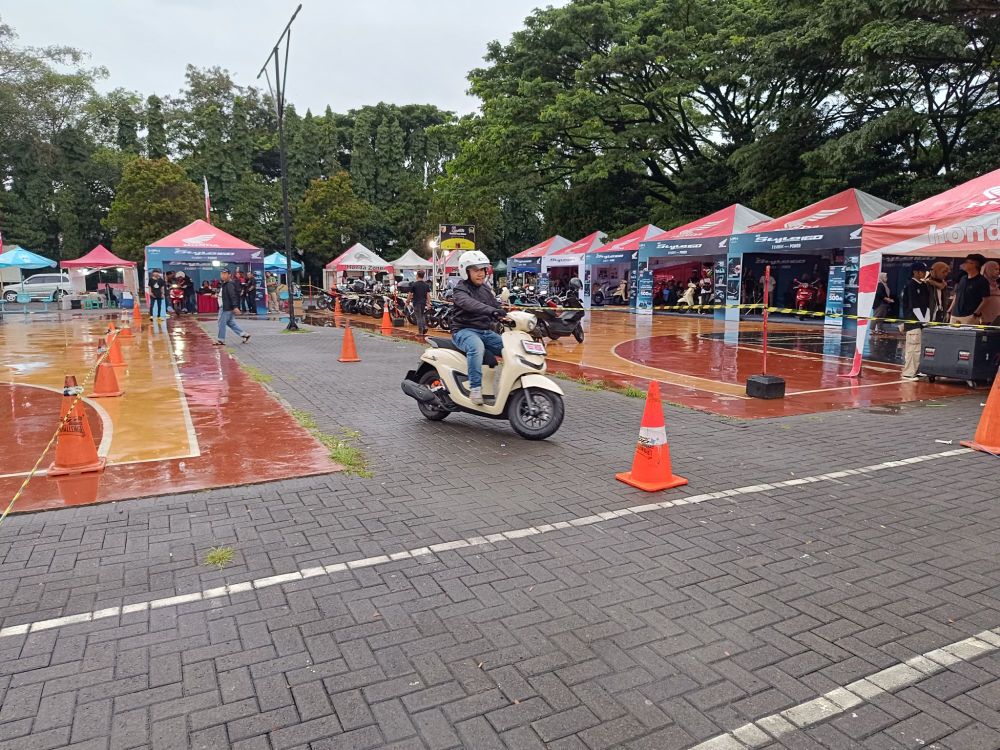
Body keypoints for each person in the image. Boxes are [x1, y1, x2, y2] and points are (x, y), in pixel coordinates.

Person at [452, 251, 506, 405]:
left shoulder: (485, 289)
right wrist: (492, 311)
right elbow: (470, 304)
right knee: (476, 347)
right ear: (466, 271)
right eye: (476, 270)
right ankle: (475, 388)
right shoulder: (460, 290)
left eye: (482, 269)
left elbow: (495, 306)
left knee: (510, 348)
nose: (480, 273)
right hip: (464, 331)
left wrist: (505, 314)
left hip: (485, 331)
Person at [900, 262, 931, 380]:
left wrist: (926, 320)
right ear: (915, 272)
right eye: (922, 271)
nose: (924, 273)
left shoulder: (923, 285)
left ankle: (917, 370)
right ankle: (908, 373)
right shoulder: (910, 285)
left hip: (923, 322)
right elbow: (913, 306)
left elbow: (927, 304)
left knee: (920, 348)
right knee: (913, 348)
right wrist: (922, 320)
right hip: (913, 322)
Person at [949, 253, 990, 324]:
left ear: (974, 264)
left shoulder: (982, 281)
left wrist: (976, 313)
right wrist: (950, 310)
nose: (964, 264)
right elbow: (957, 295)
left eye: (967, 262)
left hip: (969, 316)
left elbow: (986, 300)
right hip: (955, 315)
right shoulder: (963, 278)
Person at [216, 269, 251, 345]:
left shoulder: (229, 284)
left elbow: (233, 296)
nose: (223, 276)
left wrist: (235, 307)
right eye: (222, 274)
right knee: (230, 323)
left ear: (229, 275)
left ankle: (221, 339)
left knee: (221, 323)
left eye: (225, 274)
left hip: (226, 307)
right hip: (227, 306)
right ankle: (244, 334)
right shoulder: (225, 284)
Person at [409, 270, 431, 336]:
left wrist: (407, 301)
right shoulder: (426, 285)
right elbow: (428, 295)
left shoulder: (414, 284)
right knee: (422, 315)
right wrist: (428, 303)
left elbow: (410, 294)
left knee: (418, 317)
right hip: (423, 303)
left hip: (416, 303)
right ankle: (424, 327)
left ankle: (420, 332)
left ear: (417, 276)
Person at [980, 260, 1000, 325]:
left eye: (998, 269)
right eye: (996, 269)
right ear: (988, 270)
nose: (998, 271)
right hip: (985, 319)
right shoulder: (981, 283)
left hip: (996, 318)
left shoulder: (995, 284)